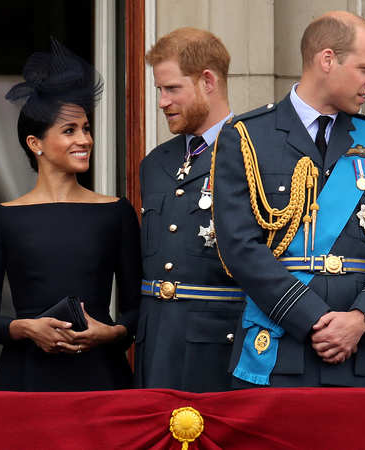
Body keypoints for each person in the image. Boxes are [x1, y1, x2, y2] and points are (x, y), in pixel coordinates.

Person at [212, 11, 365, 388]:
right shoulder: (247, 137)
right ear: (327, 60)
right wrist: (312, 319)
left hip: (357, 355)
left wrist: (361, 319)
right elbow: (239, 246)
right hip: (277, 346)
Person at [0, 39, 141, 391]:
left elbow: (138, 311)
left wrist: (112, 332)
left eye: (86, 128)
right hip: (25, 380)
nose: (84, 139)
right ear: (35, 143)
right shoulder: (3, 217)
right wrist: (24, 327)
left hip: (101, 378)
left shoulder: (115, 212)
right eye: (69, 130)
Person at [135, 28, 245, 392]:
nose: (162, 102)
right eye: (159, 91)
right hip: (156, 349)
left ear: (208, 81)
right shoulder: (155, 162)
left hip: (219, 349)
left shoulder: (254, 153)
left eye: (172, 89)